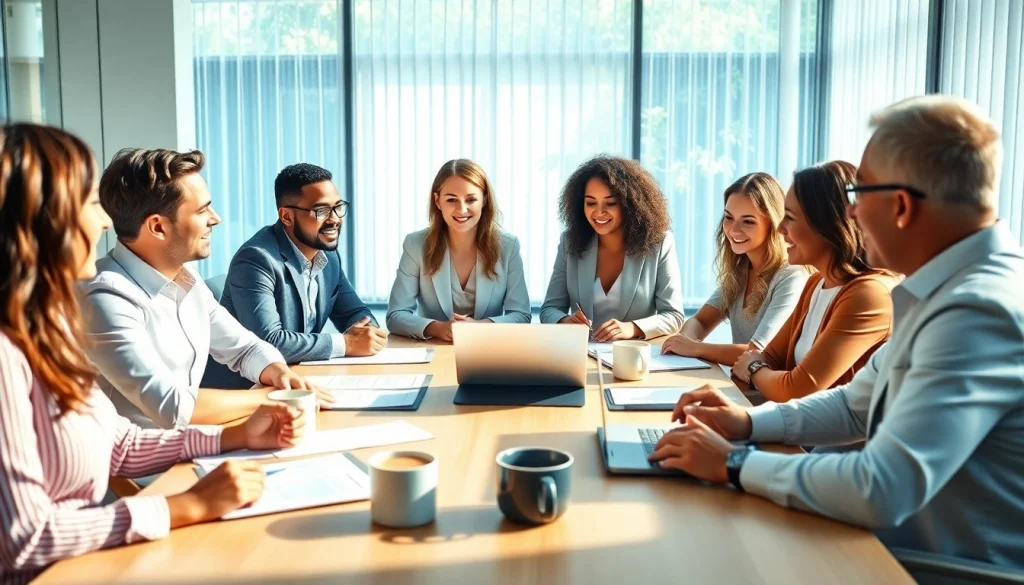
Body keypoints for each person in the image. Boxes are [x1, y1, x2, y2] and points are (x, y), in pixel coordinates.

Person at [650, 96, 1024, 568]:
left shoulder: (979, 310)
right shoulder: (942, 290)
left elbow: (881, 487)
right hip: (889, 546)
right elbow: (853, 404)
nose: (850, 215)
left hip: (930, 568)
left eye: (858, 196)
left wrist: (734, 462)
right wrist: (745, 423)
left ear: (901, 206)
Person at [0, 123, 309, 584]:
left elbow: (118, 444)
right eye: (89, 205)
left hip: (97, 555)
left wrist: (239, 436)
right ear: (44, 223)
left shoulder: (49, 328)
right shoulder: (10, 353)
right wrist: (187, 505)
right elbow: (24, 540)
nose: (105, 222)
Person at [81, 148, 331, 430]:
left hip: (193, 444)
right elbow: (173, 407)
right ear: (157, 227)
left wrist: (281, 374)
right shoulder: (105, 298)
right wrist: (272, 396)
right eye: (202, 211)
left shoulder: (187, 279)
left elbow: (244, 348)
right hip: (145, 468)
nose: (215, 218)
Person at [731, 160, 898, 402]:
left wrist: (754, 370)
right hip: (799, 431)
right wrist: (760, 368)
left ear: (827, 224)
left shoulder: (869, 294)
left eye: (789, 217)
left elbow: (796, 388)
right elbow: (771, 358)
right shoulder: (816, 283)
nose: (780, 229)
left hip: (833, 439)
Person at [220, 163, 385, 363]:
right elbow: (268, 343)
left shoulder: (328, 256)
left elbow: (355, 312)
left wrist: (368, 333)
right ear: (287, 216)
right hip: (248, 387)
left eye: (338, 207)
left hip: (298, 375)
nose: (335, 219)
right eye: (321, 210)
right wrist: (347, 343)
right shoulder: (256, 260)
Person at [662, 172, 807, 365]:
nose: (733, 230)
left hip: (767, 393)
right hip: (741, 385)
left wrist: (694, 348)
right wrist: (684, 342)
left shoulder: (791, 276)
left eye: (748, 221)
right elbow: (700, 321)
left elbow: (757, 353)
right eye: (729, 217)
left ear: (773, 224)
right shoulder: (740, 273)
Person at [540, 155, 684, 341]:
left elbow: (674, 315)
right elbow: (549, 309)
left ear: (630, 204)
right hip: (581, 355)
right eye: (591, 203)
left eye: (611, 203)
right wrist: (565, 320)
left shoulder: (660, 243)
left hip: (632, 356)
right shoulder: (570, 242)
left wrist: (632, 328)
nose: (599, 212)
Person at [387, 159, 531, 341]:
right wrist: (438, 328)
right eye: (452, 200)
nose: (461, 209)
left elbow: (521, 315)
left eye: (471, 199)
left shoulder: (508, 246)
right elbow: (395, 315)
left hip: (489, 349)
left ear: (484, 200)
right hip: (435, 349)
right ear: (438, 201)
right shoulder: (416, 244)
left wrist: (479, 328)